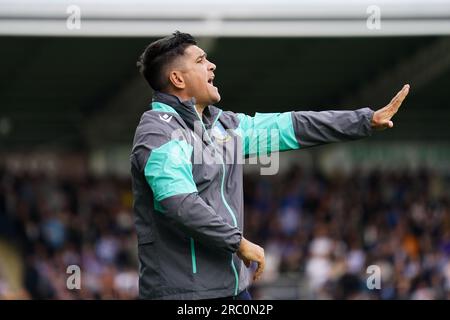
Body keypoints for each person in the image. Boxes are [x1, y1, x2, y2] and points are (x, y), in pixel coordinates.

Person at [130, 31, 409, 300]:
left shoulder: (224, 126)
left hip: (233, 287)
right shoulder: (158, 132)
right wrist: (237, 242)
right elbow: (180, 203)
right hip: (183, 294)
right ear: (177, 78)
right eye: (201, 60)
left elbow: (292, 126)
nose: (212, 64)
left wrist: (365, 120)